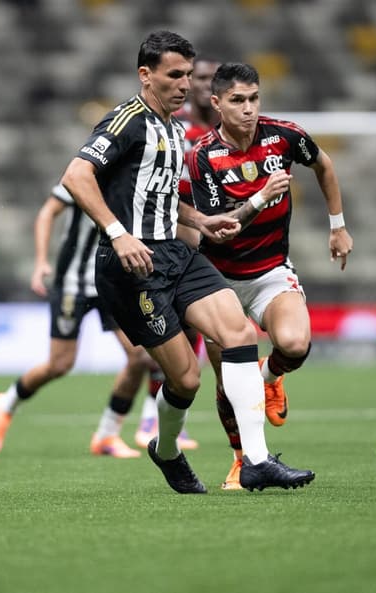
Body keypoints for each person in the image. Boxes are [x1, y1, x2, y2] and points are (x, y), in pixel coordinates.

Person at [61, 30, 314, 493]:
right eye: (175, 75)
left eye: (188, 75)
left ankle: (255, 461)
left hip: (176, 252)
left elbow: (158, 196)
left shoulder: (175, 129)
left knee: (238, 334)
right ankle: (167, 449)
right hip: (132, 268)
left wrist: (203, 218)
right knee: (186, 380)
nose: (185, 85)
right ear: (146, 75)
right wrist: (118, 235)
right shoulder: (126, 122)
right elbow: (77, 176)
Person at [187, 62, 354, 489]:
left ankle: (269, 377)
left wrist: (337, 226)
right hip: (217, 280)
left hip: (270, 272)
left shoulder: (284, 136)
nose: (248, 109)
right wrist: (261, 198)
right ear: (217, 103)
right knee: (226, 383)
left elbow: (325, 166)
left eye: (254, 98)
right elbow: (220, 230)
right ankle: (242, 461)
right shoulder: (203, 157)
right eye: (238, 101)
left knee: (295, 344)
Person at [0, 183, 187, 458]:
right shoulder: (86, 174)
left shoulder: (136, 179)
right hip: (72, 284)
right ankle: (5, 404)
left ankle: (106, 435)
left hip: (112, 280)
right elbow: (47, 213)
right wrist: (41, 261)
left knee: (139, 356)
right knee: (60, 364)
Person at [131, 54, 221, 450]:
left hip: (212, 237)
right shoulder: (174, 124)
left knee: (203, 338)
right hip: (175, 240)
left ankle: (162, 421)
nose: (202, 85)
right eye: (195, 77)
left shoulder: (227, 131)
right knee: (173, 338)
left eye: (209, 79)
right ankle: (154, 420)